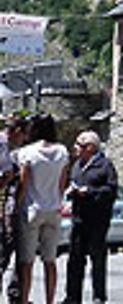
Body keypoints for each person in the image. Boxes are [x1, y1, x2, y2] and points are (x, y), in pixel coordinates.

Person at [16, 114, 68, 304]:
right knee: (50, 261)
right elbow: (62, 183)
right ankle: (50, 300)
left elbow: (24, 182)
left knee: (27, 262)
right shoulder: (62, 151)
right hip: (53, 209)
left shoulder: (27, 152)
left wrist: (18, 206)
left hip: (32, 209)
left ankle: (24, 299)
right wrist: (57, 200)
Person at [62, 131, 117, 304]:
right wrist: (72, 192)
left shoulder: (105, 166)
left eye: (79, 145)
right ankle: (72, 297)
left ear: (91, 147)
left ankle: (99, 297)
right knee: (75, 260)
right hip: (78, 219)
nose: (75, 148)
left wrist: (90, 192)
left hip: (97, 221)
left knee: (97, 260)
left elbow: (111, 191)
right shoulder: (78, 165)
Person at [0, 117, 27, 304]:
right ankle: (15, 295)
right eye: (23, 134)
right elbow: (7, 174)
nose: (24, 139)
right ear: (16, 131)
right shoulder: (3, 144)